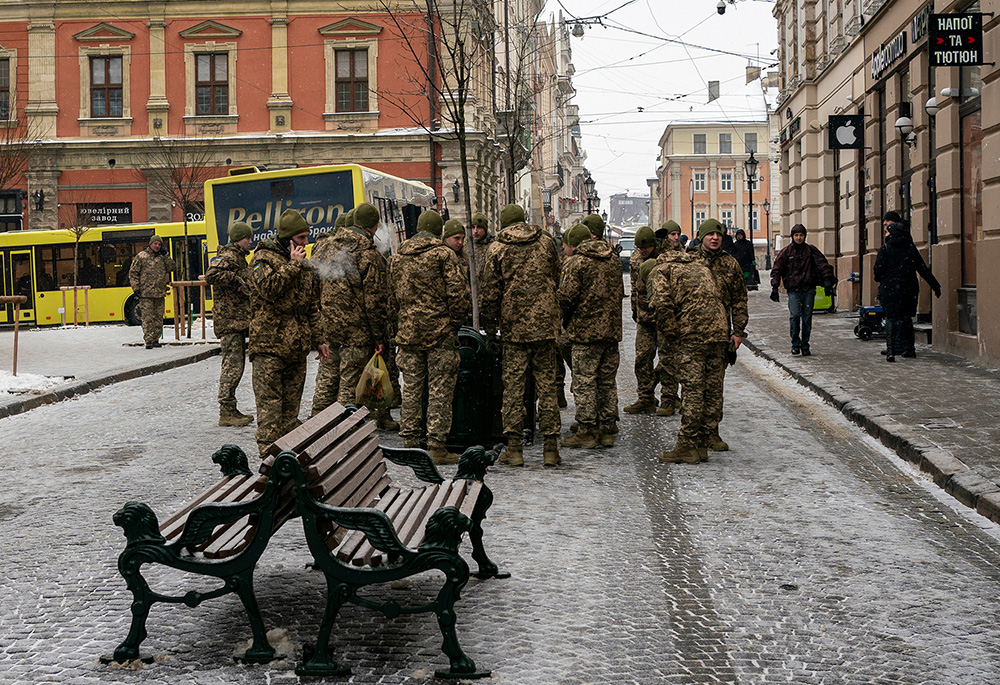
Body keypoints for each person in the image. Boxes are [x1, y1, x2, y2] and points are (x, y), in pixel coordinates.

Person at [480, 203, 562, 467]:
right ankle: (551, 447)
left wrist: (491, 329)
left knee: (513, 389)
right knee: (546, 386)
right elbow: (556, 275)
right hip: (545, 326)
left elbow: (490, 293)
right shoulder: (546, 243)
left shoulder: (497, 248)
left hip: (514, 327)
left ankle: (514, 449)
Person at [389, 210, 470, 464]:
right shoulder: (444, 255)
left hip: (409, 333)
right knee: (439, 390)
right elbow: (458, 294)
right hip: (439, 334)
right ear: (439, 232)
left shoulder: (399, 256)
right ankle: (436, 445)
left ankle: (410, 443)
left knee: (411, 388)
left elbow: (392, 296)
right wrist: (453, 323)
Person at [310, 202, 397, 430]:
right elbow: (374, 302)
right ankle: (342, 432)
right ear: (374, 226)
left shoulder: (325, 247)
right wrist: (379, 337)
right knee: (349, 384)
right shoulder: (368, 255)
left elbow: (312, 284)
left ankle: (313, 426)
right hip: (356, 332)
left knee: (327, 379)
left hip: (329, 327)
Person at [249, 209, 328, 456]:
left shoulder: (304, 264)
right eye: (301, 238)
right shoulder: (262, 259)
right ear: (287, 239)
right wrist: (293, 265)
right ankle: (268, 459)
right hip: (269, 346)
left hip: (296, 347)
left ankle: (287, 458)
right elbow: (269, 289)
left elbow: (311, 307)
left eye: (307, 237)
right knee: (270, 408)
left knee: (290, 412)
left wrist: (319, 339)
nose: (306, 243)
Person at [649, 243, 731, 464]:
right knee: (712, 387)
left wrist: (673, 337)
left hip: (692, 333)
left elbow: (662, 305)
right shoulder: (699, 266)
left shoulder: (661, 270)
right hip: (719, 330)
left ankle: (687, 446)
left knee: (693, 389)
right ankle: (703, 443)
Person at [558, 224, 624, 449]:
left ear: (573, 244)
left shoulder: (576, 262)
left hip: (585, 332)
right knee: (606, 381)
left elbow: (566, 297)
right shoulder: (612, 259)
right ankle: (606, 428)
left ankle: (587, 430)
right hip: (611, 331)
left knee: (585, 381)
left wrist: (562, 322)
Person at [692, 219, 748, 452]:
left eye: (719, 234)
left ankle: (712, 432)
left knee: (714, 387)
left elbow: (739, 299)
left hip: (720, 336)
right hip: (692, 335)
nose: (715, 238)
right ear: (701, 236)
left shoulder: (730, 263)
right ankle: (692, 435)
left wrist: (738, 331)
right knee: (693, 387)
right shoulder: (689, 261)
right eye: (710, 234)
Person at [204, 221, 254, 427]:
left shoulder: (238, 257)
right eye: (247, 238)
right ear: (238, 239)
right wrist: (236, 280)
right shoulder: (228, 257)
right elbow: (211, 275)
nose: (250, 242)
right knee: (232, 367)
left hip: (238, 320)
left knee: (236, 366)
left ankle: (230, 408)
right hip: (230, 322)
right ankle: (226, 410)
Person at [874, 220, 941, 362]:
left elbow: (877, 271)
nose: (886, 234)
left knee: (891, 319)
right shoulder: (910, 249)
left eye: (887, 231)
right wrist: (935, 285)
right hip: (909, 289)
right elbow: (922, 269)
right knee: (906, 320)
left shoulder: (885, 249)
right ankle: (910, 349)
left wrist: (882, 278)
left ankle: (890, 351)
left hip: (890, 289)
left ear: (892, 234)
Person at [769, 223, 835, 356]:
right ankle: (795, 343)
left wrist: (827, 281)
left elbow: (822, 264)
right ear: (792, 236)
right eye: (796, 235)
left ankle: (805, 344)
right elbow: (777, 269)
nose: (799, 238)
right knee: (794, 316)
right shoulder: (786, 252)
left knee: (806, 318)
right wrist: (775, 287)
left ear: (804, 236)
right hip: (793, 290)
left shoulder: (810, 250)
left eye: (801, 235)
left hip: (808, 288)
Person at [624, 225, 661, 415]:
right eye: (639, 247)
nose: (642, 251)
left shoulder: (664, 258)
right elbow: (634, 288)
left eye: (645, 247)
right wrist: (634, 311)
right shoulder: (635, 259)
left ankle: (671, 397)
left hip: (663, 317)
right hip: (644, 317)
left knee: (669, 359)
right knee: (642, 358)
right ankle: (645, 397)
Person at [128, 234, 174, 349]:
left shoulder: (163, 257)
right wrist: (136, 288)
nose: (157, 246)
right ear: (150, 244)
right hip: (146, 293)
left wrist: (166, 255)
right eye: (155, 244)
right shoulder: (141, 256)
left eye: (159, 244)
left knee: (158, 317)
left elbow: (172, 267)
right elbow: (133, 273)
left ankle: (156, 339)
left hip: (159, 292)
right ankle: (148, 340)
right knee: (147, 317)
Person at [468, 212, 492, 278]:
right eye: (473, 227)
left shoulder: (493, 246)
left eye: (479, 227)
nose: (475, 231)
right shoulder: (466, 245)